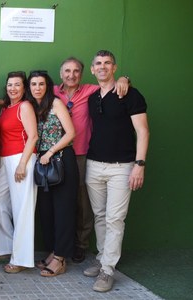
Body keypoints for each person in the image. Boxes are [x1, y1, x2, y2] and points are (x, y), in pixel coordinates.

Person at [83, 50, 149, 292]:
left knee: (114, 218)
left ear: (115, 67)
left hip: (123, 167)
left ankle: (108, 270)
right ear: (92, 69)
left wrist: (139, 165)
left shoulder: (130, 94)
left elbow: (143, 131)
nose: (102, 67)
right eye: (98, 64)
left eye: (107, 63)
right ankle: (102, 259)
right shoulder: (92, 97)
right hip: (94, 164)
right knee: (100, 216)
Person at [53, 57, 130, 263]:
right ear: (61, 74)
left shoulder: (91, 90)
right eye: (67, 71)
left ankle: (81, 244)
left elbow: (112, 84)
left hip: (82, 154)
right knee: (61, 201)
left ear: (83, 73)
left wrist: (125, 78)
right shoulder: (53, 91)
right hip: (57, 155)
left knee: (83, 202)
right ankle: (60, 245)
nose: (71, 75)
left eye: (76, 71)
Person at [26, 70, 78, 277]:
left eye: (41, 84)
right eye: (33, 84)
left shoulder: (56, 103)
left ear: (47, 86)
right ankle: (53, 251)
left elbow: (71, 132)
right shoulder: (31, 106)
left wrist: (50, 152)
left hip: (61, 160)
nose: (37, 88)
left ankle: (60, 258)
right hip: (43, 163)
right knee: (47, 210)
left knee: (63, 210)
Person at [0, 71, 39, 274]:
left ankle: (21, 258)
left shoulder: (25, 106)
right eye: (10, 84)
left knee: (22, 209)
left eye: (17, 85)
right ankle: (7, 246)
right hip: (5, 159)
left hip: (22, 159)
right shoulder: (6, 108)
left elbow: (33, 136)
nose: (13, 88)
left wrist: (22, 164)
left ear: (24, 89)